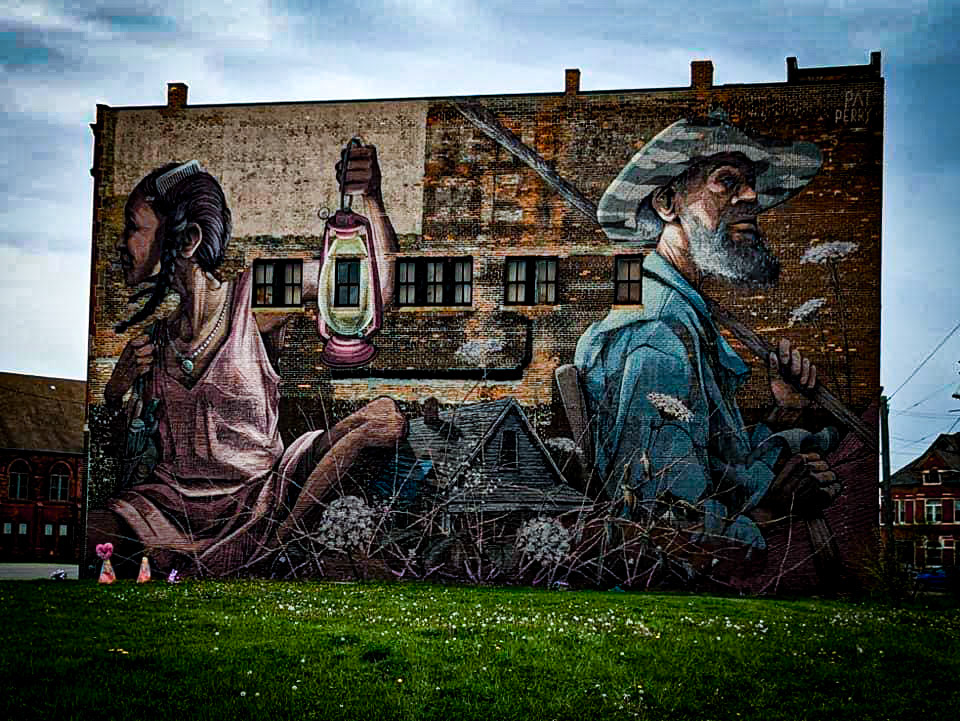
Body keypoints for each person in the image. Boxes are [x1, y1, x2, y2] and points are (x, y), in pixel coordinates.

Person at [93, 146, 407, 577]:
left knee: (384, 418)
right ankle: (231, 558)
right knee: (93, 530)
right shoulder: (156, 342)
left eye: (133, 228)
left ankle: (271, 549)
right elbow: (123, 453)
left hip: (260, 498)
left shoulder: (253, 297)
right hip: (168, 509)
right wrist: (116, 389)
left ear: (188, 240)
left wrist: (371, 197)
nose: (121, 243)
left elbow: (372, 289)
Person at [575, 112, 840, 550]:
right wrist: (773, 509)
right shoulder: (658, 335)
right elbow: (664, 521)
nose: (751, 196)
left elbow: (712, 461)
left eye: (750, 183)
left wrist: (786, 411)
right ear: (667, 204)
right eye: (727, 181)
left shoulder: (683, 316)